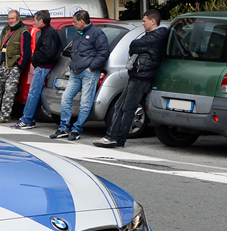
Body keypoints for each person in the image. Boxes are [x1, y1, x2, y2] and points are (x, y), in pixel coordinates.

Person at [94, 9, 169, 148]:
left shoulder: (157, 36)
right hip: (136, 75)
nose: (142, 23)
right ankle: (114, 137)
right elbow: (133, 46)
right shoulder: (150, 36)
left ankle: (115, 138)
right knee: (120, 106)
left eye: (144, 20)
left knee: (127, 108)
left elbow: (135, 45)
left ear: (153, 21)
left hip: (141, 77)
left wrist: (139, 47)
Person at [50, 10, 109, 140]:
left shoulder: (97, 34)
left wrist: (91, 68)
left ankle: (77, 129)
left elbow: (103, 53)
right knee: (65, 98)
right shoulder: (78, 33)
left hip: (89, 73)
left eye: (75, 22)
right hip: (75, 72)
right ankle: (63, 127)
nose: (73, 24)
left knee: (85, 102)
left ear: (82, 22)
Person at [12, 10, 62, 129]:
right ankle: (32, 117)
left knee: (33, 93)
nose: (34, 22)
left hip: (44, 67)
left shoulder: (48, 34)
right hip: (45, 66)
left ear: (41, 21)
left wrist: (35, 58)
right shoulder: (48, 32)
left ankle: (26, 119)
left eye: (35, 20)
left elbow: (48, 53)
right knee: (37, 93)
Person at [0, 10, 31, 122]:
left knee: (9, 92)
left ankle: (4, 117)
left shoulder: (23, 32)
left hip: (13, 66)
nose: (10, 21)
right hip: (2, 65)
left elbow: (26, 53)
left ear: (18, 19)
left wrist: (19, 66)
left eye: (12, 18)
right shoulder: (7, 31)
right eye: (9, 18)